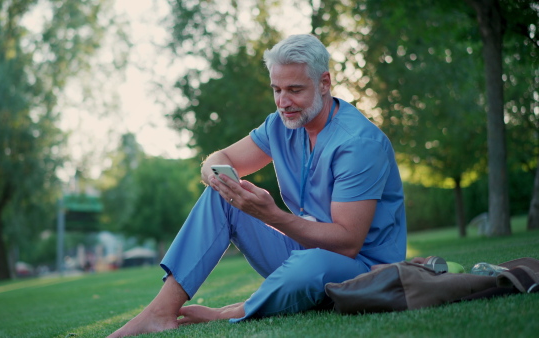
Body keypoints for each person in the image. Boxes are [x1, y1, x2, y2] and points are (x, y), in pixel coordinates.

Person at [108, 34, 406, 337]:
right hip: (304, 251)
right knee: (221, 194)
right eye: (276, 90)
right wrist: (219, 178)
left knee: (311, 266)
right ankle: (161, 311)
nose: (283, 102)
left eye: (294, 90)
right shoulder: (281, 124)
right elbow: (219, 158)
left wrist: (271, 215)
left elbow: (347, 243)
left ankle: (231, 311)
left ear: (324, 83)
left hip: (363, 269)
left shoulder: (358, 144)